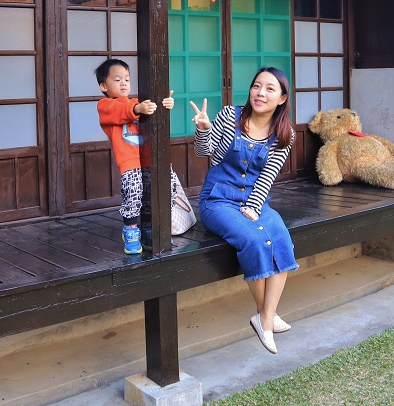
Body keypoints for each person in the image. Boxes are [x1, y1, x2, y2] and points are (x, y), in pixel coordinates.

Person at [190, 67, 297, 354]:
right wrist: (203, 129)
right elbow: (207, 153)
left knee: (281, 239)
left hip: (255, 199)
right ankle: (266, 317)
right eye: (256, 86)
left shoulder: (285, 134)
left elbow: (267, 176)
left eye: (270, 89)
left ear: (282, 98)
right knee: (254, 240)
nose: (261, 93)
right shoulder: (229, 116)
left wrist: (252, 207)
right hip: (218, 201)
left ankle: (264, 317)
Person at [95, 58, 180, 255]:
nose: (124, 83)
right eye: (117, 80)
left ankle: (153, 228)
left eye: (127, 79)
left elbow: (152, 113)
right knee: (133, 193)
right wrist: (137, 109)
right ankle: (131, 230)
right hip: (130, 161)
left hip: (151, 157)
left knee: (166, 187)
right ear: (103, 86)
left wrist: (165, 103)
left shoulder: (138, 102)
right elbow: (121, 111)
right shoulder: (105, 105)